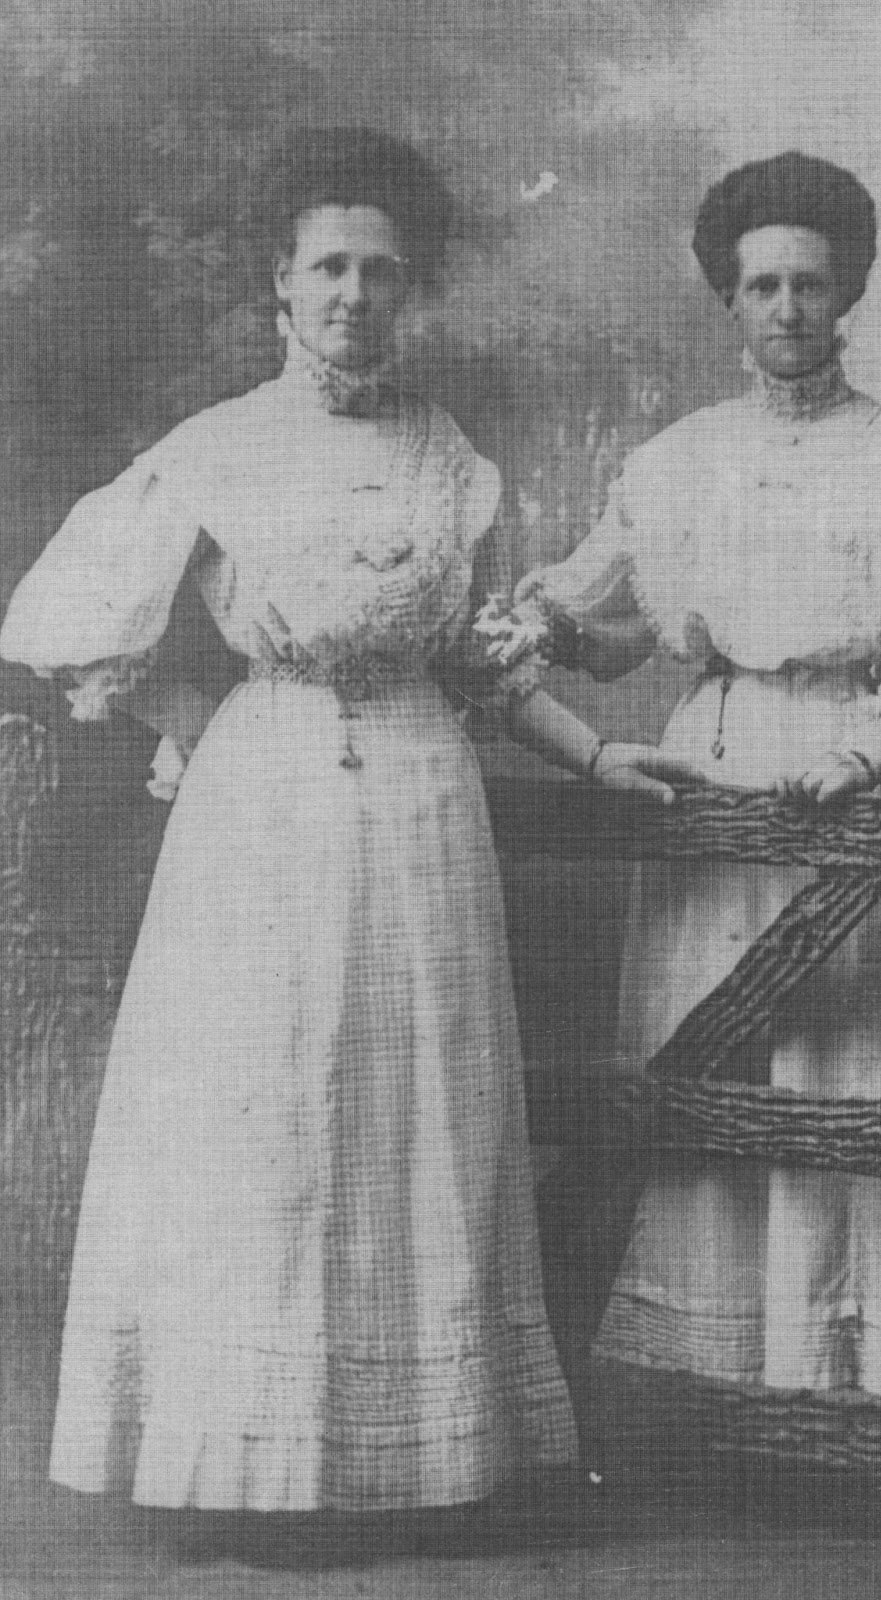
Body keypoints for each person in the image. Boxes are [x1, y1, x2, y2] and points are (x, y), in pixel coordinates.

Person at [0, 126, 695, 1541]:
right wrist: (197, 715)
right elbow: (75, 628)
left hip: (424, 811)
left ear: (408, 288)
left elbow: (480, 664)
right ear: (280, 281)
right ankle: (238, 1462)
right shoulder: (215, 452)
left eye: (381, 271)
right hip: (260, 815)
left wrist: (595, 748)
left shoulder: (450, 462)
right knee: (262, 1106)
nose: (355, 295)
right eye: (328, 267)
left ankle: (414, 1464)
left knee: (410, 1105)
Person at [512, 153, 881, 1408]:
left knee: (837, 1061)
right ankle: (704, 1373)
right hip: (712, 768)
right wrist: (522, 633)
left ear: (849, 295)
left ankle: (833, 1369)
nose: (787, 308)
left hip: (854, 773)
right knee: (702, 1053)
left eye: (810, 285)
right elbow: (585, 609)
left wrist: (864, 751)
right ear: (728, 299)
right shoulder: (679, 461)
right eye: (763, 286)